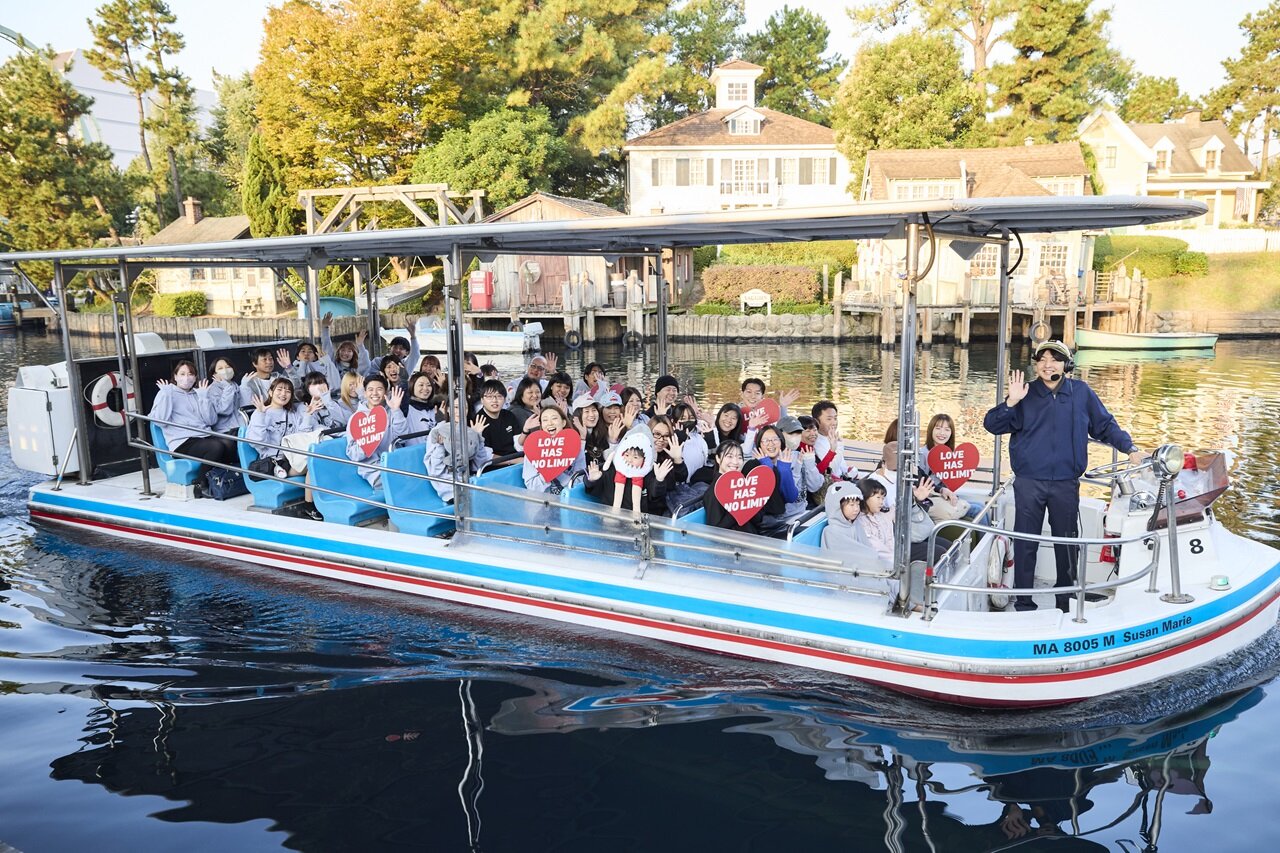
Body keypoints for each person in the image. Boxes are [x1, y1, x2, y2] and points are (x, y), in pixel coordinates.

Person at [984, 339, 1145, 612]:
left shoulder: (1081, 393)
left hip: (1065, 483)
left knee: (1067, 543)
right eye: (1042, 359)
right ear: (1036, 365)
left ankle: (1064, 600)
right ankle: (1023, 601)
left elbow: (1105, 426)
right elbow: (992, 425)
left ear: (1066, 364)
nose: (1048, 365)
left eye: (1055, 359)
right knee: (1025, 542)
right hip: (1029, 482)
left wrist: (1130, 448)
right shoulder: (1024, 393)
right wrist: (1011, 401)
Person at [150, 359, 237, 483]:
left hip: (203, 436)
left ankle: (220, 480)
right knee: (215, 447)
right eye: (182, 374)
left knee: (231, 445)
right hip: (182, 442)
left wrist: (203, 398)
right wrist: (165, 395)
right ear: (175, 376)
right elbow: (160, 421)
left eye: (190, 374)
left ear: (195, 377)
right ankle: (201, 483)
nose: (187, 378)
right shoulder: (166, 392)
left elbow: (211, 421)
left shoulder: (198, 393)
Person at [423, 397, 494, 504]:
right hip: (450, 489)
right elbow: (435, 471)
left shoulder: (468, 430)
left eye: (464, 407)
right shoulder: (438, 431)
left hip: (469, 482)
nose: (460, 411)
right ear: (448, 409)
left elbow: (478, 464)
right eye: (456, 407)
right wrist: (441, 446)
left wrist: (478, 437)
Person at [585, 428, 672, 514]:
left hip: (636, 522)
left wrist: (659, 480)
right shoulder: (611, 469)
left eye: (635, 457)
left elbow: (656, 495)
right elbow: (593, 489)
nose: (629, 460)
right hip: (608, 517)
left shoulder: (648, 474)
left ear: (644, 459)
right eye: (627, 455)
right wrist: (592, 480)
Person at [920, 413, 984, 523]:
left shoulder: (950, 455)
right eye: (938, 428)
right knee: (977, 510)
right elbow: (921, 480)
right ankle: (989, 539)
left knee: (980, 506)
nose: (942, 433)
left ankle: (991, 538)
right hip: (931, 498)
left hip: (944, 496)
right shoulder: (923, 454)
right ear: (931, 430)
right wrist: (941, 489)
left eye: (947, 430)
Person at [345, 375, 407, 489]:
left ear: (385, 393)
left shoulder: (391, 412)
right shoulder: (356, 419)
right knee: (398, 485)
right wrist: (369, 442)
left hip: (395, 463)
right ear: (364, 393)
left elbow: (402, 437)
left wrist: (396, 410)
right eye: (370, 389)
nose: (375, 393)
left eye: (379, 389)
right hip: (373, 470)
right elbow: (353, 453)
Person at [521, 400, 582, 494]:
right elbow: (531, 485)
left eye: (554, 418)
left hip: (568, 500)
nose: (550, 423)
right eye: (545, 420)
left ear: (563, 423)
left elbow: (580, 479)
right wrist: (547, 472)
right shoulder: (532, 448)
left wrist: (559, 470)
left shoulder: (575, 446)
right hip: (541, 502)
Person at [750, 425, 800, 536]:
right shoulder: (752, 466)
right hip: (762, 525)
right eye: (766, 440)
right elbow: (771, 497)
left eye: (775, 439)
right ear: (759, 445)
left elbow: (791, 497)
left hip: (780, 520)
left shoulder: (782, 464)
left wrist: (785, 470)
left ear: (781, 442)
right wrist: (768, 466)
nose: (771, 443)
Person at [778, 415, 822, 516]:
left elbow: (814, 487)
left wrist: (810, 464)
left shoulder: (801, 455)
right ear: (780, 434)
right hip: (784, 516)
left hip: (803, 511)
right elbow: (787, 494)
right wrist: (796, 468)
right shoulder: (775, 458)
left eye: (798, 433)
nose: (795, 437)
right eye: (791, 433)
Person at [475, 379, 524, 457]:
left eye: (499, 396)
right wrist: (513, 461)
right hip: (493, 466)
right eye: (489, 396)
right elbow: (485, 456)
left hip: (514, 459)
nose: (494, 400)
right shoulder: (477, 421)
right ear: (482, 400)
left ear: (504, 399)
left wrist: (526, 431)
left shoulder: (509, 415)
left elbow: (518, 445)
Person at [811, 400, 851, 481]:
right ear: (816, 421)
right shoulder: (816, 442)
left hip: (844, 478)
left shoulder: (831, 437)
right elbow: (831, 471)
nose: (834, 422)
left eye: (835, 418)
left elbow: (843, 467)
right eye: (829, 419)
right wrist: (839, 447)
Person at [571, 393, 610, 468]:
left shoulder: (601, 433)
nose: (592, 415)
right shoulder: (572, 437)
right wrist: (582, 439)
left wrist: (612, 441)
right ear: (578, 415)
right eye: (587, 411)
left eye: (594, 410)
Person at [205, 357, 242, 433]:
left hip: (241, 427)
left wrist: (245, 387)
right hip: (226, 430)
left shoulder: (234, 385)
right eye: (220, 368)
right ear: (214, 374)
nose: (225, 370)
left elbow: (243, 407)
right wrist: (227, 387)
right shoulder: (213, 389)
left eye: (228, 367)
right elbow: (224, 410)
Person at [402, 372, 438, 446]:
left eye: (428, 385)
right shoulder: (406, 407)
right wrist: (403, 379)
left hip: (432, 452)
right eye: (421, 385)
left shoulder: (434, 408)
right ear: (412, 386)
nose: (425, 388)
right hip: (413, 453)